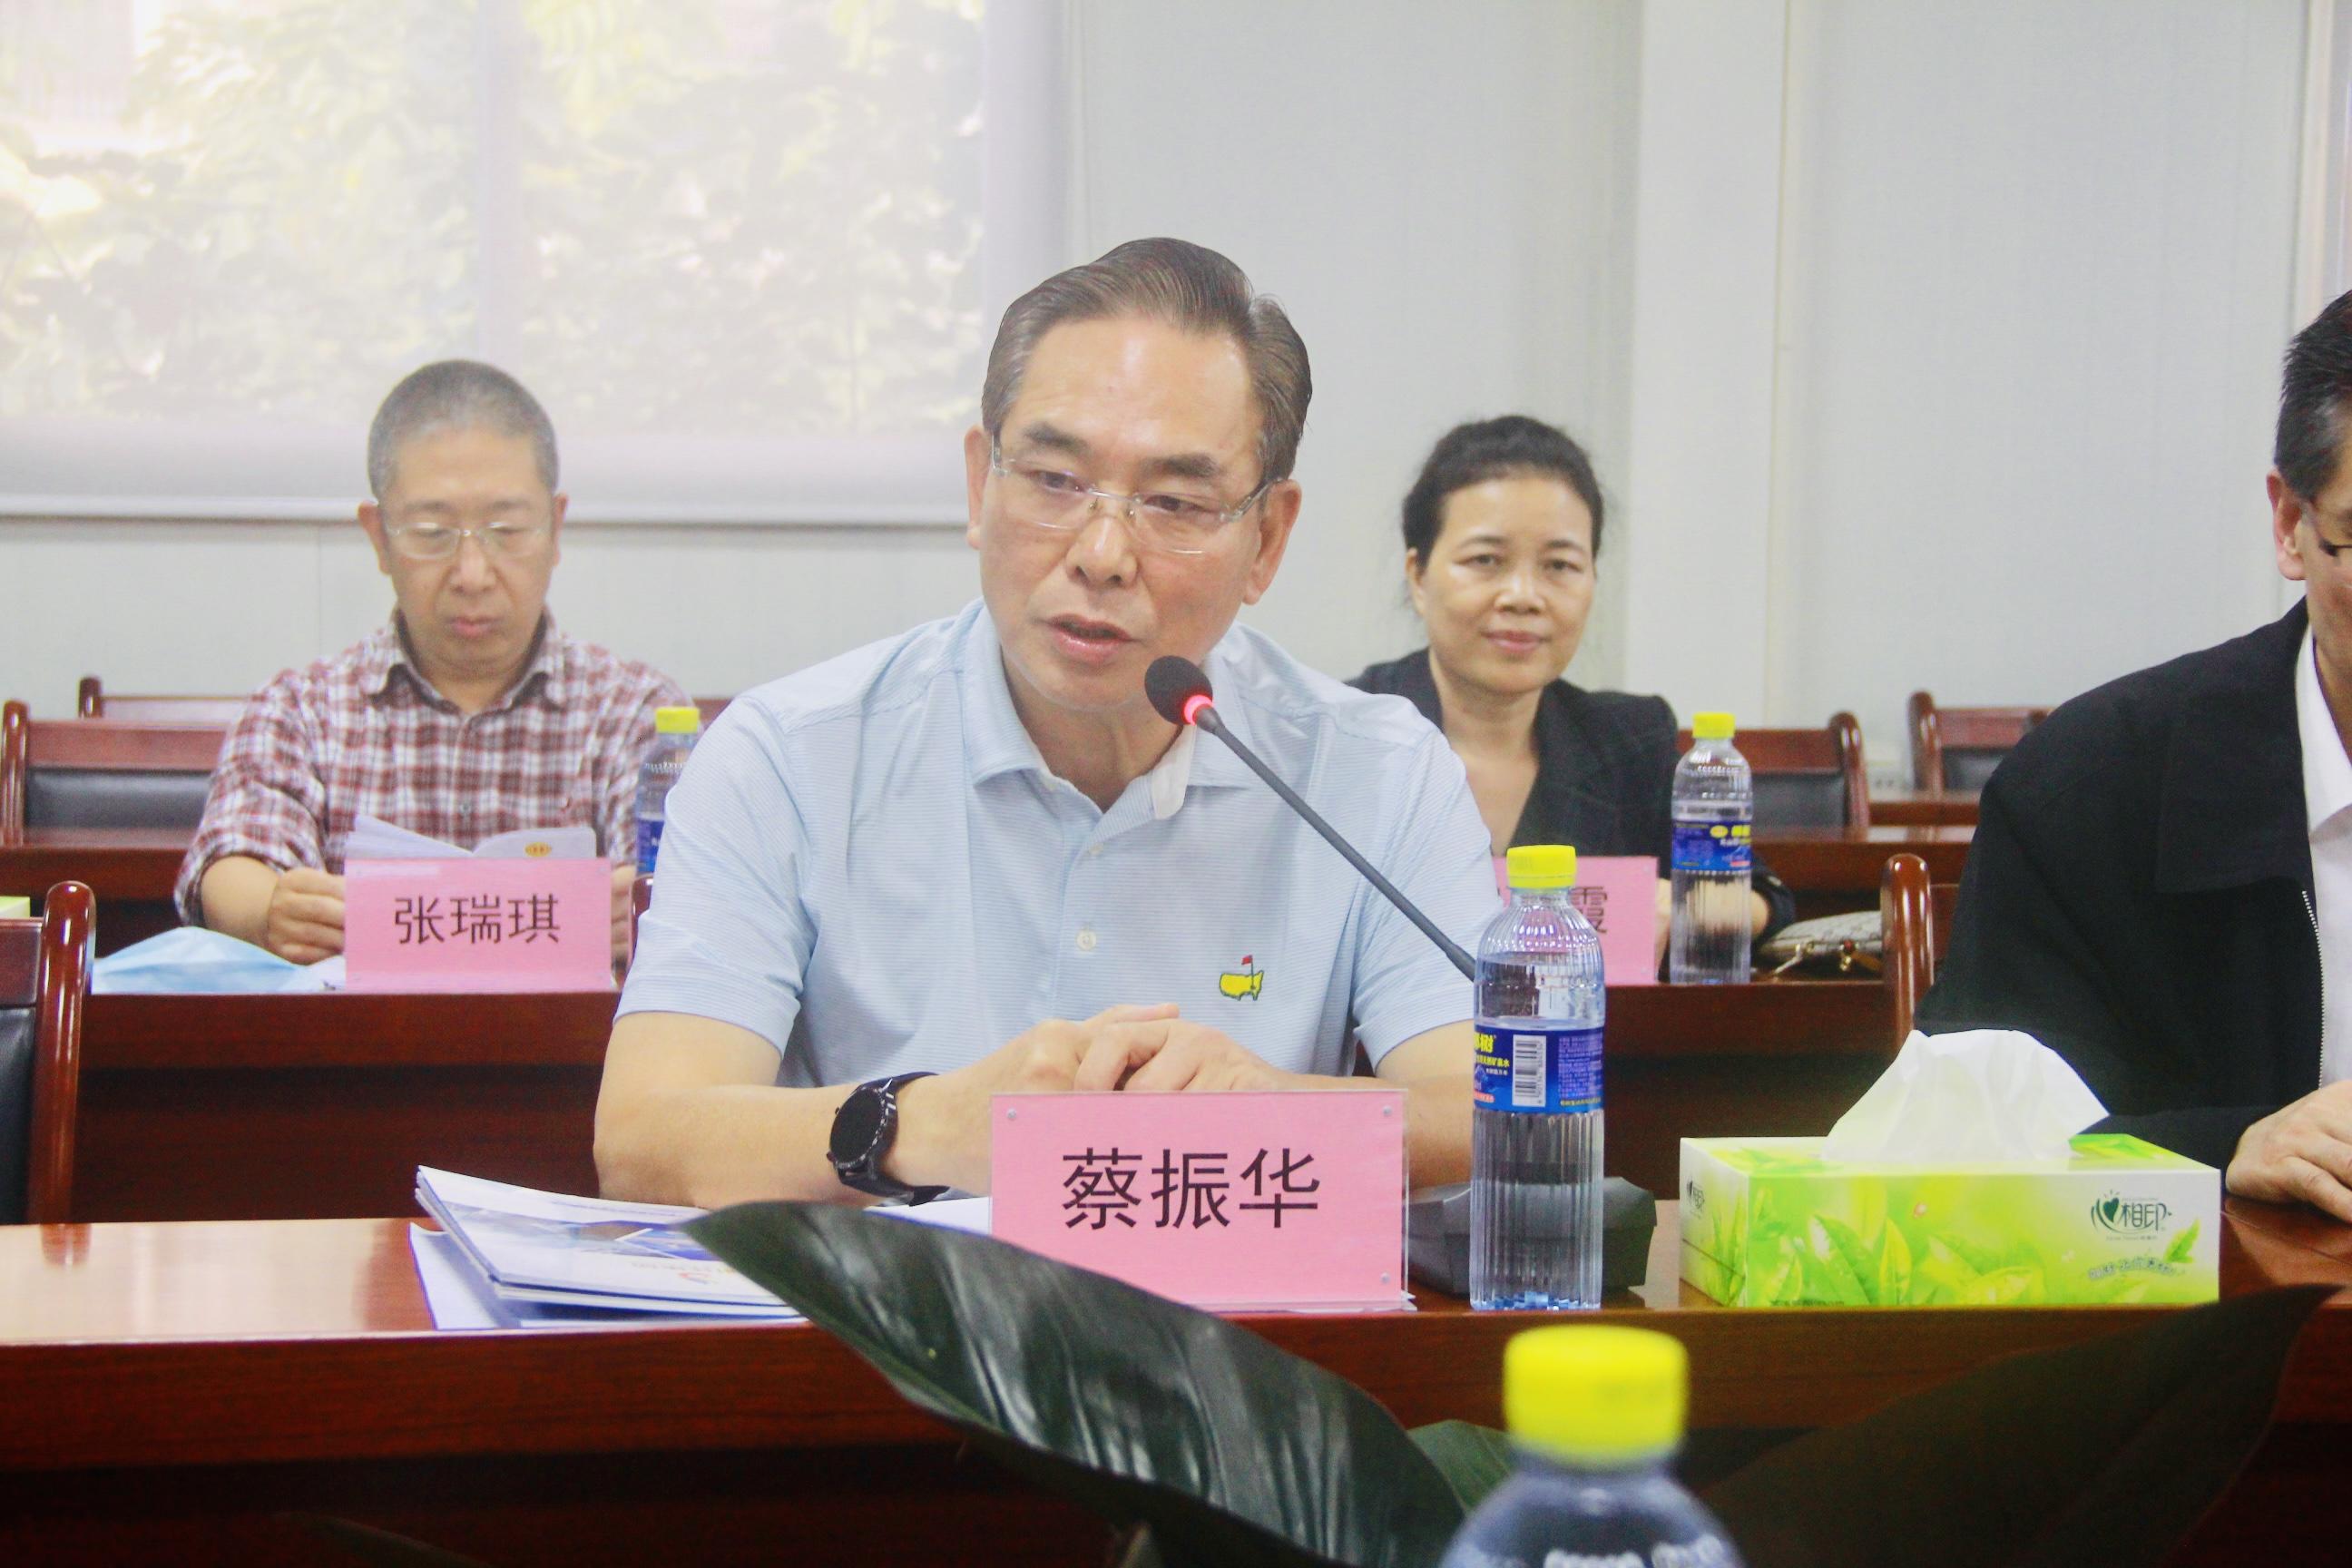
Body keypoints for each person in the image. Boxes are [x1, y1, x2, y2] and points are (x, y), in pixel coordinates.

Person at [596, 239, 1494, 1208]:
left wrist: (1275, 1109)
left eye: (1175, 501)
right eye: (1056, 480)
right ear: (980, 486)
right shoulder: (790, 757)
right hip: (892, 1306)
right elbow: (644, 1143)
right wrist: (927, 1125)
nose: (1102, 553)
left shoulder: (1376, 770)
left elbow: (1494, 1111)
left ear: (1267, 539)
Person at [1920, 288, 2352, 1220]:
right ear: (2290, 522)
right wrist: (2226, 1149)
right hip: (2230, 1302)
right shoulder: (2090, 792)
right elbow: (1969, 1144)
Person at [175, 359, 689, 966]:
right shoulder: (301, 710)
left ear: (555, 529)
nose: (472, 575)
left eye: (506, 529)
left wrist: (641, 908)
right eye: (431, 532)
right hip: (361, 1029)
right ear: (379, 537)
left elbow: (687, 886)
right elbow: (232, 864)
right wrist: (271, 911)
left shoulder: (635, 712)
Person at [1350, 416, 1795, 963]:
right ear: (1419, 576)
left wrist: (1688, 908)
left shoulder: (1628, 742)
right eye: (1486, 560)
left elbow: (1768, 900)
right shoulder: (1347, 735)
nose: (1523, 596)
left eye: (1559, 565)